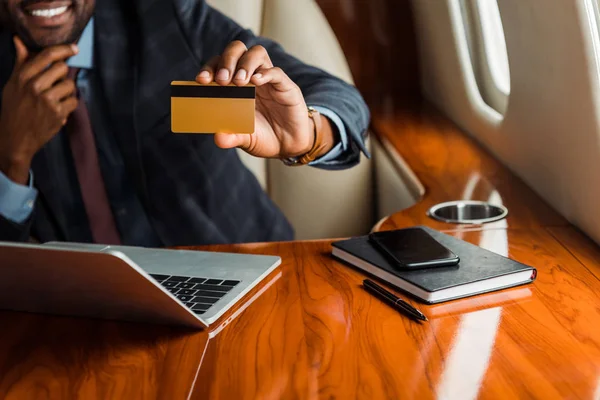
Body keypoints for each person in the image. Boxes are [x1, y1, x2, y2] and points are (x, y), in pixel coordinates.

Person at [0, 0, 370, 246]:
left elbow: (342, 99)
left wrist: (307, 135)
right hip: (92, 319)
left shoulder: (167, 16)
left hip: (246, 274)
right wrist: (12, 158)